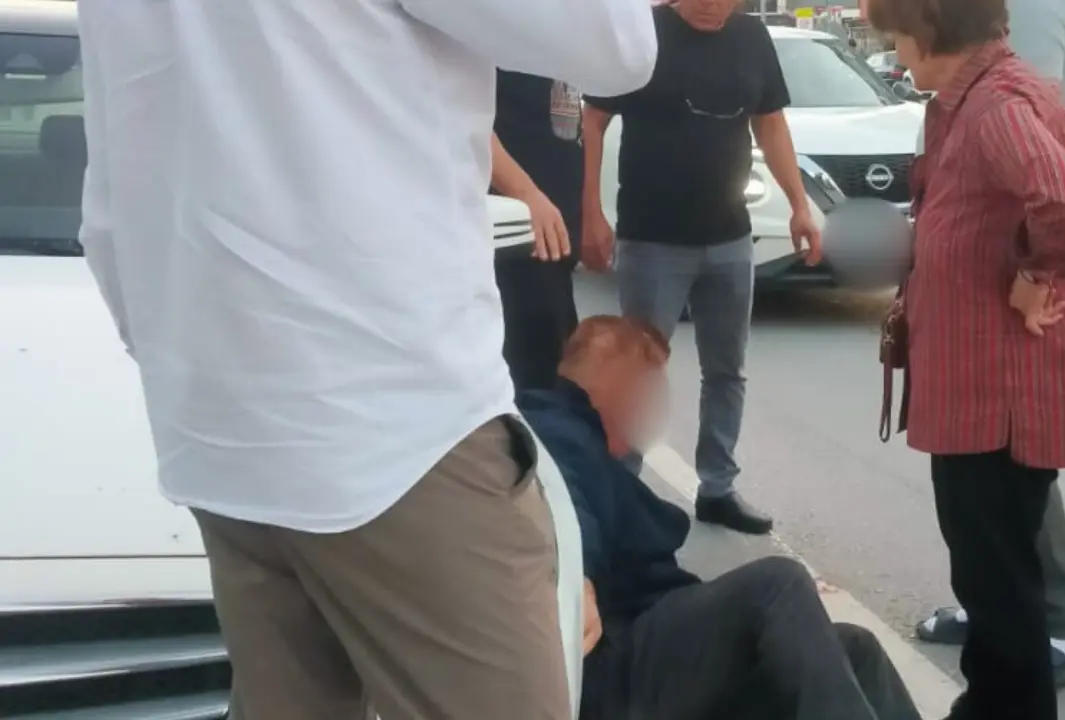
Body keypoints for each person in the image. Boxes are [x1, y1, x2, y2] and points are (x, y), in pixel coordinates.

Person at [76, 2, 656, 718]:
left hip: (219, 433)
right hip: (396, 436)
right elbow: (617, 44)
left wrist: (188, 365)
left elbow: (110, 196)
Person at [866, 0, 1065, 717]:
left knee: (998, 586)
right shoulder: (979, 95)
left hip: (995, 397)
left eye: (898, 38)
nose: (896, 54)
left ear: (929, 31)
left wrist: (1035, 277)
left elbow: (1064, 199)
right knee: (996, 579)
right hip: (985, 391)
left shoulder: (996, 105)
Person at [519, 315, 924, 720]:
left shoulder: (591, 445)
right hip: (617, 664)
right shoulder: (555, 426)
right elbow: (560, 496)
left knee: (855, 648)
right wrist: (580, 573)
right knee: (777, 585)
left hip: (656, 653)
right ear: (617, 382)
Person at [581, 0, 823, 536]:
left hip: (730, 238)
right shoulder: (643, 34)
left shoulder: (751, 38)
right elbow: (593, 119)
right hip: (652, 239)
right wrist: (591, 212)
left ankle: (717, 488)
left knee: (727, 371)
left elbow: (771, 125)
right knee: (638, 370)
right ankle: (621, 491)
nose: (714, 5)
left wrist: (799, 206)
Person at [491, 71, 584, 392]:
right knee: (531, 378)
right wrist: (525, 194)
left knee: (558, 366)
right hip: (516, 235)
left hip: (559, 238)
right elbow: (465, 121)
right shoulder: (494, 47)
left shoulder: (559, 49)